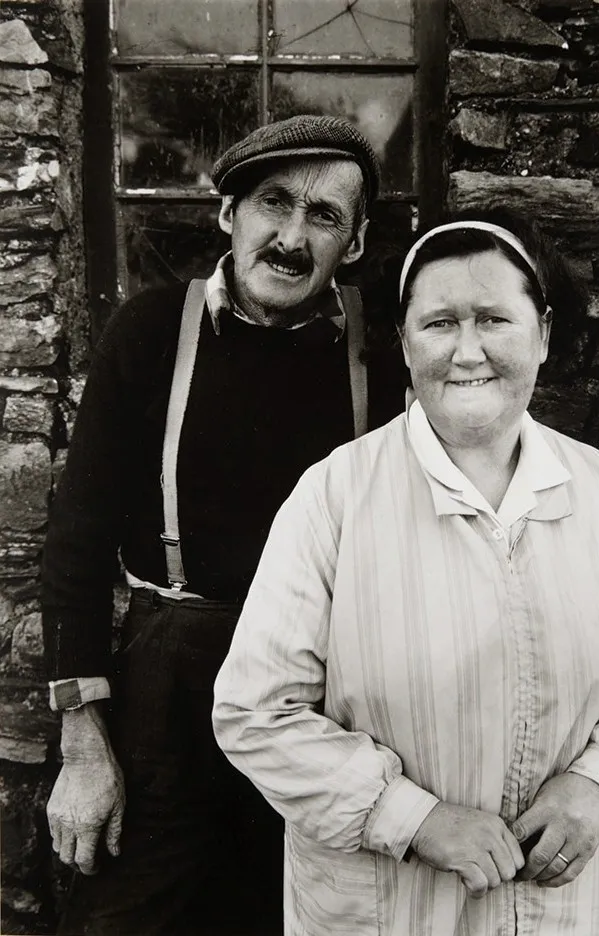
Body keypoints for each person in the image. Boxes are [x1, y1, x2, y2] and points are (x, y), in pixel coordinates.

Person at [212, 216, 599, 936]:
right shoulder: (336, 496)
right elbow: (256, 712)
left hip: (559, 911)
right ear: (405, 342)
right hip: (386, 910)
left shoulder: (598, 488)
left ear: (539, 334)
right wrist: (411, 817)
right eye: (439, 322)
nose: (467, 350)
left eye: (493, 319)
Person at [42, 114, 406, 935]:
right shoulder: (149, 332)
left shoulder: (378, 356)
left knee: (291, 915)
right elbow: (76, 541)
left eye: (324, 217)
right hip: (172, 675)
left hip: (320, 694)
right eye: (272, 204)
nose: (289, 237)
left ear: (352, 244)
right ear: (227, 216)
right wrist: (83, 744)